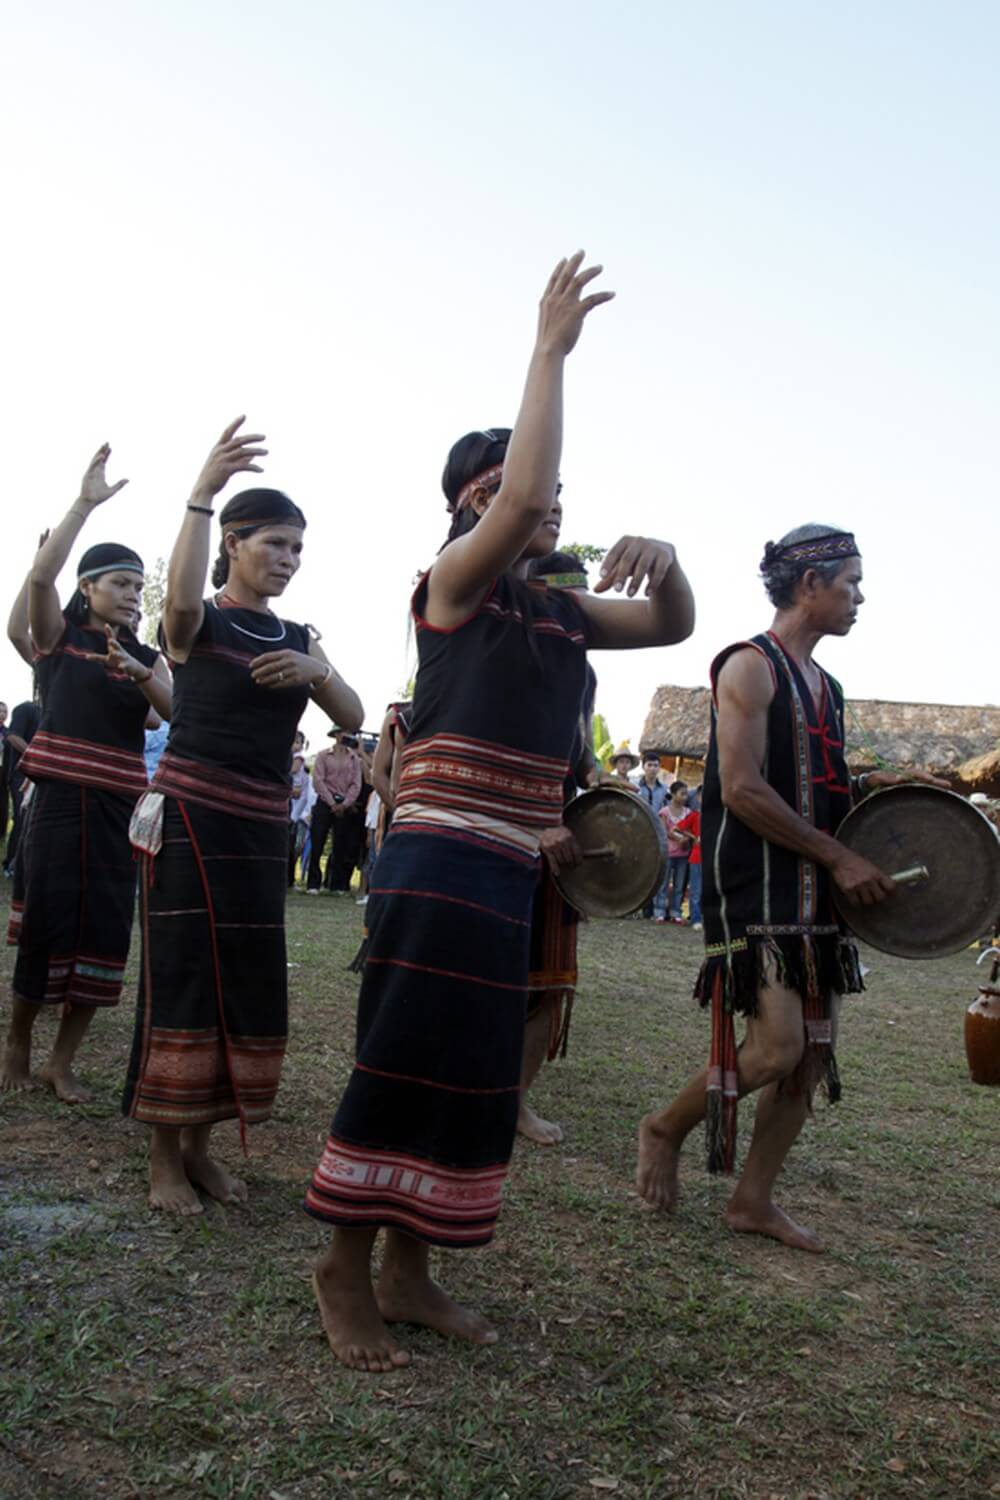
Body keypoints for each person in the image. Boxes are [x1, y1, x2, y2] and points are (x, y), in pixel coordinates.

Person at [304, 251, 695, 1373]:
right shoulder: (451, 589)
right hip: (436, 857)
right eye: (519, 491)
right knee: (404, 1053)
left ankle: (411, 1269)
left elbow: (669, 623)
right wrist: (548, 351)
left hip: (516, 864)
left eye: (555, 497)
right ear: (469, 506)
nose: (545, 504)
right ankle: (341, 1266)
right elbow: (523, 492)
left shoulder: (561, 612)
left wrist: (667, 566)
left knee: (475, 1072)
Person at [636, 524, 944, 1251]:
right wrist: (838, 857)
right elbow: (742, 789)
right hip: (759, 886)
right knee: (774, 1048)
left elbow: (815, 782)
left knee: (811, 1054)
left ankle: (753, 1199)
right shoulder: (749, 666)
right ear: (811, 584)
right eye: (852, 583)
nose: (860, 597)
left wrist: (885, 787)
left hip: (818, 894)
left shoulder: (826, 686)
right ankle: (664, 1127)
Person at [122, 419, 363, 1214]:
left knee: (244, 986)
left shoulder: (298, 637)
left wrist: (315, 667)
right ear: (233, 542)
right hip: (190, 821)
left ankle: (201, 1149)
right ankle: (164, 1157)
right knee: (185, 980)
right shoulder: (201, 624)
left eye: (298, 549)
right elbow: (181, 601)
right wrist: (199, 494)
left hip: (260, 833)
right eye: (275, 545)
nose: (288, 561)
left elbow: (354, 709)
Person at [1, 446, 171, 1101]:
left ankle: (61, 1059)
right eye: (119, 584)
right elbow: (41, 583)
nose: (132, 594)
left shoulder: (145, 655)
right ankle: (19, 1040)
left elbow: (170, 715)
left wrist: (140, 672)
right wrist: (85, 504)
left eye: (136, 585)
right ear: (89, 588)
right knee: (46, 923)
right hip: (57, 803)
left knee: (105, 930)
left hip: (117, 809)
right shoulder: (59, 641)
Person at [307, 729, 363, 894]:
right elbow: (318, 780)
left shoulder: (354, 759)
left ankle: (336, 883)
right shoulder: (323, 755)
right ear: (336, 734)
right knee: (317, 843)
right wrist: (331, 802)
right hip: (325, 802)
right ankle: (313, 883)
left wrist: (345, 803)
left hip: (344, 803)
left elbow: (356, 784)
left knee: (340, 845)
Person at [655, 780, 691, 922]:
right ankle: (659, 911)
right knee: (663, 884)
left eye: (686, 794)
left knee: (679, 885)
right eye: (682, 794)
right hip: (668, 853)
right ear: (673, 794)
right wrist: (679, 838)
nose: (685, 797)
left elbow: (689, 830)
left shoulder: (688, 813)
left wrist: (685, 838)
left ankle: (676, 912)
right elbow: (664, 831)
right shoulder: (664, 812)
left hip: (683, 855)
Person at [676, 791, 702, 930]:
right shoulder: (694, 815)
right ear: (698, 797)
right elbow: (678, 828)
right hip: (696, 857)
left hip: (711, 858)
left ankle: (703, 918)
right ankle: (696, 919)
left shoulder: (715, 816)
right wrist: (693, 836)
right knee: (696, 890)